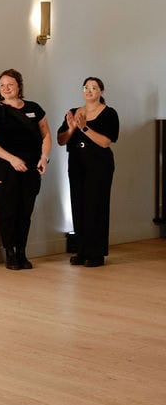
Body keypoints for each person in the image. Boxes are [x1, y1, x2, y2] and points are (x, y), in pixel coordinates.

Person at [0, 68, 52, 270]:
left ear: (19, 86)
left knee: (24, 212)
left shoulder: (34, 108)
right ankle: (10, 253)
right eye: (2, 85)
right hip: (4, 168)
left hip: (30, 168)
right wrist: (12, 159)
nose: (5, 88)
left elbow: (46, 135)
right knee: (7, 212)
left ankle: (22, 252)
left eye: (10, 84)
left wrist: (44, 158)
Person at [56, 77, 119, 267]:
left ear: (101, 91)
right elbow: (61, 139)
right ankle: (81, 251)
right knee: (78, 204)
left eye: (94, 87)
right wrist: (72, 126)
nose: (89, 91)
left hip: (99, 165)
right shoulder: (74, 112)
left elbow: (105, 142)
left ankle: (96, 253)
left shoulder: (109, 113)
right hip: (77, 163)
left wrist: (84, 127)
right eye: (86, 87)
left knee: (96, 206)